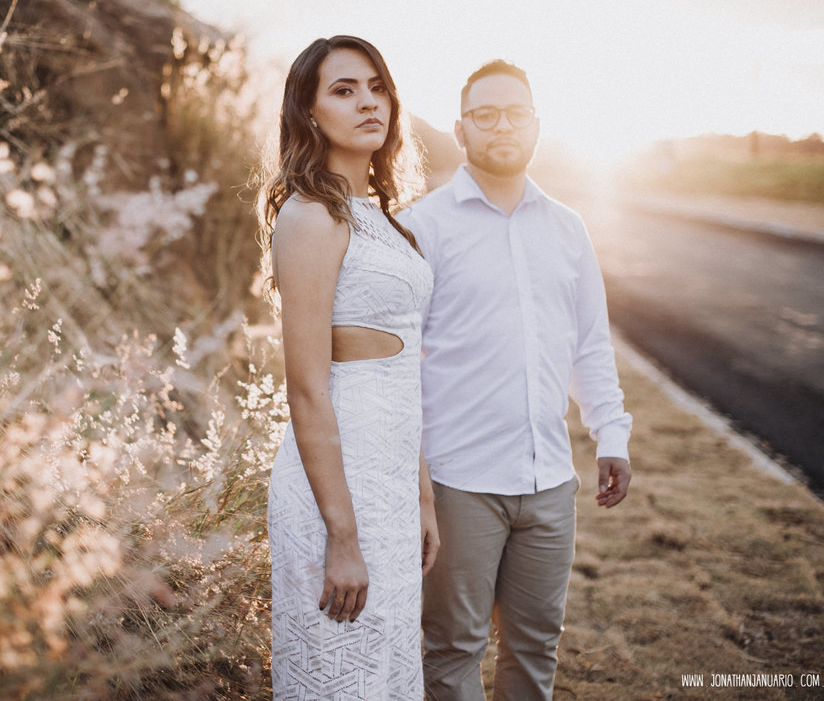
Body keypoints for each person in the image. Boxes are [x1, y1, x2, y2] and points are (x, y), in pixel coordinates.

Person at [399, 60, 633, 701]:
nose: (502, 125)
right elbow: (401, 365)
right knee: (452, 651)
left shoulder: (568, 227)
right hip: (459, 483)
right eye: (485, 114)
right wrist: (415, 482)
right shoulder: (424, 227)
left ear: (536, 125)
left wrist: (610, 432)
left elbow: (589, 342)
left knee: (535, 650)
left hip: (550, 483)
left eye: (516, 113)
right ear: (461, 128)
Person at [258, 35, 440, 700]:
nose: (368, 101)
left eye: (376, 86)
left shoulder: (386, 222)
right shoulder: (311, 216)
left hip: (390, 485)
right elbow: (307, 389)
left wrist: (420, 494)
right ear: (309, 113)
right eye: (343, 89)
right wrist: (341, 534)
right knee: (340, 674)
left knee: (387, 670)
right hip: (337, 486)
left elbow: (404, 376)